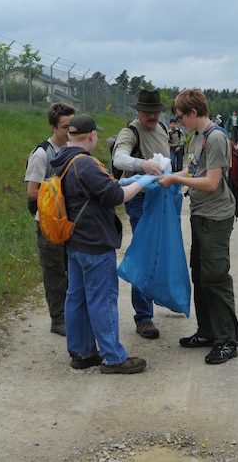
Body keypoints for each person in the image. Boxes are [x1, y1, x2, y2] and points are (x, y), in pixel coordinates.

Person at [52, 114, 157, 374]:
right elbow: (114, 196)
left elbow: (98, 187)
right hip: (95, 243)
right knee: (103, 299)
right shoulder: (85, 163)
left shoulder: (63, 160)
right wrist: (144, 180)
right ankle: (113, 357)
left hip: (75, 241)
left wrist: (125, 180)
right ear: (91, 135)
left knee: (76, 297)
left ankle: (82, 352)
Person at [159, 88, 238, 365]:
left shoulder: (216, 138)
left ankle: (227, 340)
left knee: (216, 276)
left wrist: (176, 181)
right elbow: (194, 171)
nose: (179, 122)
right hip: (199, 214)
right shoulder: (196, 137)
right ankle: (206, 332)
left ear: (194, 113)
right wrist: (169, 175)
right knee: (201, 276)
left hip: (216, 217)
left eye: (181, 117)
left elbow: (211, 182)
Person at [111, 89, 170, 339]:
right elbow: (119, 158)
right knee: (144, 254)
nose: (152, 115)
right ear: (138, 111)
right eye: (147, 111)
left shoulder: (163, 129)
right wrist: (142, 164)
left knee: (160, 251)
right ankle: (144, 317)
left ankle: (160, 297)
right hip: (139, 201)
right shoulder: (130, 132)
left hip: (161, 199)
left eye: (156, 111)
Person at [24, 102, 76, 336]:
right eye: (65, 127)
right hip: (48, 224)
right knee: (54, 273)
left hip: (71, 222)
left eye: (72, 126)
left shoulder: (75, 149)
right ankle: (59, 319)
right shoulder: (42, 153)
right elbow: (32, 192)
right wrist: (58, 190)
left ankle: (74, 315)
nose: (70, 132)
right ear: (53, 127)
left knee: (73, 270)